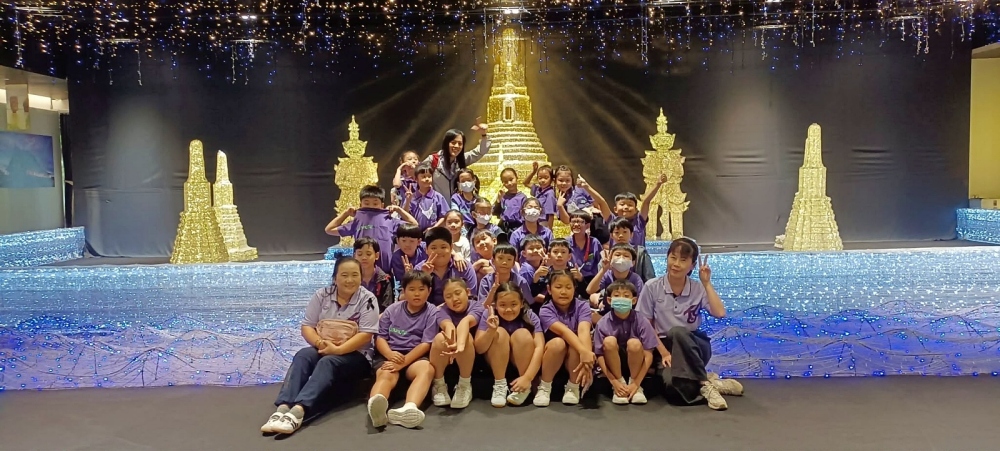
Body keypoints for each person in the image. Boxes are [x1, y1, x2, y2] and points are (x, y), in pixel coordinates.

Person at [260, 257, 378, 435]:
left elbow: (366, 334)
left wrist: (338, 350)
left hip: (357, 356)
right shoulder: (322, 295)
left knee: (328, 361)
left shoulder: (368, 299)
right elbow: (307, 326)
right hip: (324, 347)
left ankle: (298, 411)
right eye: (344, 275)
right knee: (303, 355)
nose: (350, 280)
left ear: (361, 277)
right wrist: (319, 343)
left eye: (355, 275)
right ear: (335, 277)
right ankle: (283, 407)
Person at [636, 237, 744, 411]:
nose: (676, 264)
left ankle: (703, 382)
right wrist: (664, 353)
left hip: (694, 345)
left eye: (683, 260)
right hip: (664, 347)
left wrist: (706, 283)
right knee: (673, 388)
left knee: (677, 331)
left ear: (692, 266)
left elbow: (719, 313)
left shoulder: (697, 288)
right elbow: (646, 325)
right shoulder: (652, 287)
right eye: (673, 257)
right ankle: (710, 383)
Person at [368, 270, 439, 429]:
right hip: (390, 353)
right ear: (404, 291)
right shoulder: (392, 310)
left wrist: (404, 361)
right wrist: (389, 354)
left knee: (426, 369)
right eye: (412, 289)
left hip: (415, 356)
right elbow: (380, 338)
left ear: (429, 291)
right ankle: (376, 406)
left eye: (421, 289)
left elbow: (426, 343)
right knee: (386, 374)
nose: (417, 294)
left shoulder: (432, 312)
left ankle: (409, 408)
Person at [474, 282, 545, 407]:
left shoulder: (530, 316)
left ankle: (524, 388)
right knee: (500, 332)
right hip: (496, 364)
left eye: (513, 304)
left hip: (522, 365)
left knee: (522, 334)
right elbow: (479, 349)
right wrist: (491, 331)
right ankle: (500, 385)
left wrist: (528, 377)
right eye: (502, 305)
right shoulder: (489, 315)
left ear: (521, 303)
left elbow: (540, 347)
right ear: (495, 305)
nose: (508, 309)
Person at [325, 185, 418, 274]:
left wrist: (398, 209)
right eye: (366, 203)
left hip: (385, 272)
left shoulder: (389, 220)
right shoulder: (357, 221)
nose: (371, 206)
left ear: (382, 205)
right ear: (360, 204)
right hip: (362, 272)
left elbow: (414, 225)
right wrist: (345, 213)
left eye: (375, 203)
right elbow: (329, 229)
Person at [535, 270, 595, 406]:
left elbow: (584, 331)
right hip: (552, 355)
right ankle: (544, 386)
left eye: (568, 287)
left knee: (577, 345)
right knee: (558, 343)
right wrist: (584, 351)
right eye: (558, 287)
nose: (563, 292)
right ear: (549, 290)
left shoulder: (583, 306)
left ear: (574, 289)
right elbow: (564, 332)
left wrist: (587, 360)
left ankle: (573, 387)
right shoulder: (545, 310)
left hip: (574, 357)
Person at [593, 280, 658, 405]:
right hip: (613, 366)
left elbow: (648, 354)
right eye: (617, 295)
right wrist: (614, 381)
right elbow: (599, 355)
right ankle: (620, 386)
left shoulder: (642, 320)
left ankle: (636, 388)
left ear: (634, 300)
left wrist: (636, 383)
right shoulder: (603, 323)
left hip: (636, 365)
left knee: (634, 343)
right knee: (609, 341)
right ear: (609, 300)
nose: (621, 299)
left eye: (626, 296)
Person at [429, 278, 483, 409]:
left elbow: (465, 322)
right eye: (448, 296)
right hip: (449, 353)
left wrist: (459, 346)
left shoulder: (477, 306)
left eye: (458, 293)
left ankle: (464, 385)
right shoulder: (441, 310)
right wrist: (452, 343)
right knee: (439, 338)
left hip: (472, 352)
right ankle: (439, 385)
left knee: (466, 336)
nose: (454, 299)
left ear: (467, 292)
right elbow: (448, 326)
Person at [422, 119, 491, 199]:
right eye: (453, 143)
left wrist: (484, 135)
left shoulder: (462, 160)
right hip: (437, 205)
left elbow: (480, 152)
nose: (457, 146)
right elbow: (418, 174)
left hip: (456, 205)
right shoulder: (433, 160)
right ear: (446, 143)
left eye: (460, 144)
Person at [414, 227, 477, 306]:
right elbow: (414, 298)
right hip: (428, 312)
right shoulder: (419, 269)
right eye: (433, 248)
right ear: (426, 249)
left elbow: (472, 297)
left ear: (451, 247)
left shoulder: (464, 266)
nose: (439, 251)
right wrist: (424, 276)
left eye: (443, 247)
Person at [607, 173, 668, 248]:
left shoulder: (639, 221)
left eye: (630, 205)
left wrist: (658, 184)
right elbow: (601, 202)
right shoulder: (612, 220)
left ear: (636, 209)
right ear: (615, 209)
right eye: (622, 204)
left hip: (637, 255)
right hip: (617, 255)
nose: (626, 207)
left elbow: (646, 201)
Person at [587, 243, 646, 319]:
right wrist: (604, 269)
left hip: (629, 315)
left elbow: (641, 303)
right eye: (617, 255)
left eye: (626, 256)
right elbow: (590, 290)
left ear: (633, 262)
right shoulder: (607, 275)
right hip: (607, 314)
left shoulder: (636, 279)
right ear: (610, 259)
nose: (621, 258)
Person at [529, 238, 583, 302]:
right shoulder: (546, 273)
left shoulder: (574, 273)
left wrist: (580, 279)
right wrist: (536, 277)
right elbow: (533, 294)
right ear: (549, 255)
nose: (559, 255)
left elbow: (585, 294)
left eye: (563, 252)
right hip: (550, 305)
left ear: (569, 256)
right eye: (555, 252)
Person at [608, 217, 656, 282]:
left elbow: (650, 278)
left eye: (625, 232)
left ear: (631, 234)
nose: (621, 235)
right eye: (617, 232)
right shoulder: (606, 254)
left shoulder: (640, 253)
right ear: (611, 235)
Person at [567, 210, 602, 298]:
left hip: (591, 280)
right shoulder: (566, 242)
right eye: (573, 221)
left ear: (587, 225)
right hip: (571, 279)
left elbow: (600, 264)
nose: (576, 224)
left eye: (580, 222)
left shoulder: (594, 242)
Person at [406, 162, 451, 231]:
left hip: (433, 232)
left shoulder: (438, 196)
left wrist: (434, 228)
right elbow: (404, 215)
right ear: (416, 179)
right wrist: (408, 201)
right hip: (415, 232)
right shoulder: (412, 197)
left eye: (429, 176)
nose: (427, 179)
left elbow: (444, 216)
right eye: (423, 177)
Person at [354, 238, 396, 310]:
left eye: (368, 254)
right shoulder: (351, 278)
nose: (364, 258)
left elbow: (387, 308)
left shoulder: (384, 280)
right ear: (355, 256)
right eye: (360, 254)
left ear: (376, 255)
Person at [493, 167, 526, 238]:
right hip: (503, 228)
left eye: (511, 179)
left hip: (517, 227)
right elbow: (494, 212)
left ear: (516, 178)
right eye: (505, 182)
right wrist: (498, 200)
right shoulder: (503, 196)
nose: (509, 183)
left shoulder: (522, 197)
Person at [523, 162, 557, 228]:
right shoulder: (538, 190)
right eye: (540, 178)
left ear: (551, 179)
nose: (543, 180)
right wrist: (533, 172)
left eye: (546, 178)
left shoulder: (549, 193)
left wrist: (549, 230)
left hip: (543, 223)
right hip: (535, 221)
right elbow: (525, 183)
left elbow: (550, 215)